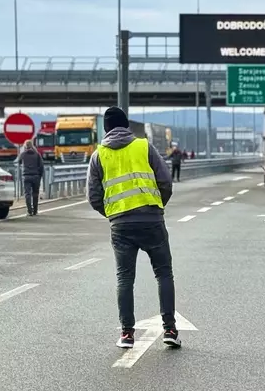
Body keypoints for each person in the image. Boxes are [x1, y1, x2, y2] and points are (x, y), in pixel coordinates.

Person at [86, 106, 181, 349]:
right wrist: (157, 205)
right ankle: (170, 329)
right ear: (126, 125)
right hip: (151, 220)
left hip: (121, 225)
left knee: (125, 278)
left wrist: (112, 214)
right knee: (164, 273)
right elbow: (165, 181)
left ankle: (127, 334)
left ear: (106, 129)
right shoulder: (143, 146)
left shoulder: (98, 155)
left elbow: (93, 196)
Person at [17, 139, 44, 216]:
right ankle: (35, 211)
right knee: (35, 194)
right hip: (36, 176)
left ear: (25, 146)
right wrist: (40, 175)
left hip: (26, 176)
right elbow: (41, 166)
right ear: (32, 146)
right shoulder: (37, 154)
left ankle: (29, 211)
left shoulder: (23, 154)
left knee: (27, 194)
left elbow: (18, 162)